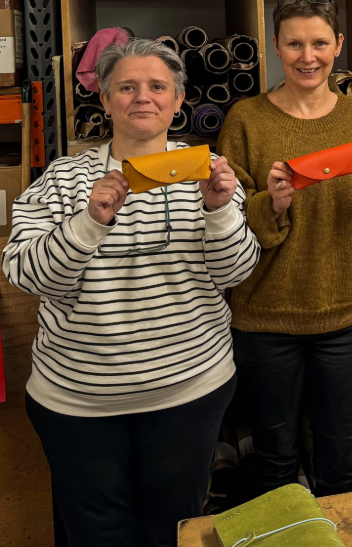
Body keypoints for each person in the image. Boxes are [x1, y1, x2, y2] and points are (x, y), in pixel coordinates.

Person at [2, 39, 260, 547]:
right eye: (126, 87)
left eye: (157, 86)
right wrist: (87, 224)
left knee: (172, 528)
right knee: (97, 533)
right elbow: (25, 274)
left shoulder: (208, 171)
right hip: (79, 403)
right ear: (105, 99)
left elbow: (235, 272)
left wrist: (219, 212)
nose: (143, 97)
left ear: (178, 100)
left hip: (189, 391)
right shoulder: (64, 178)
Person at [217, 0, 352, 496]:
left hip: (344, 315)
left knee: (340, 455)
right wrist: (272, 203)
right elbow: (227, 221)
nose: (307, 57)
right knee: (275, 458)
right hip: (264, 317)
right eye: (294, 44)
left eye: (319, 43)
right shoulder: (246, 119)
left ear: (338, 44)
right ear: (276, 46)